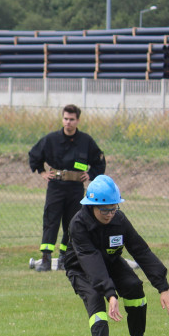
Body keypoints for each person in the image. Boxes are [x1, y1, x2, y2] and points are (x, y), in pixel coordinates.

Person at [61, 175, 169, 336]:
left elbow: (140, 250)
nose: (110, 214)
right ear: (92, 206)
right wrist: (110, 293)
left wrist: (163, 287)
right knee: (95, 300)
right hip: (81, 268)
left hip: (112, 261)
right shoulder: (78, 224)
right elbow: (91, 260)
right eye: (105, 210)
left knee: (135, 287)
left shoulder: (119, 220)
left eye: (114, 208)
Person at [29, 104, 106, 272]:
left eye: (72, 119)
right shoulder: (51, 140)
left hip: (76, 188)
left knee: (73, 223)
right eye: (65, 119)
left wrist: (90, 174)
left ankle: (65, 257)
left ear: (77, 120)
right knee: (51, 221)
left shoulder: (86, 141)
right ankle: (46, 259)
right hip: (56, 187)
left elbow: (99, 160)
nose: (68, 122)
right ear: (62, 119)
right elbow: (34, 155)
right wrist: (42, 172)